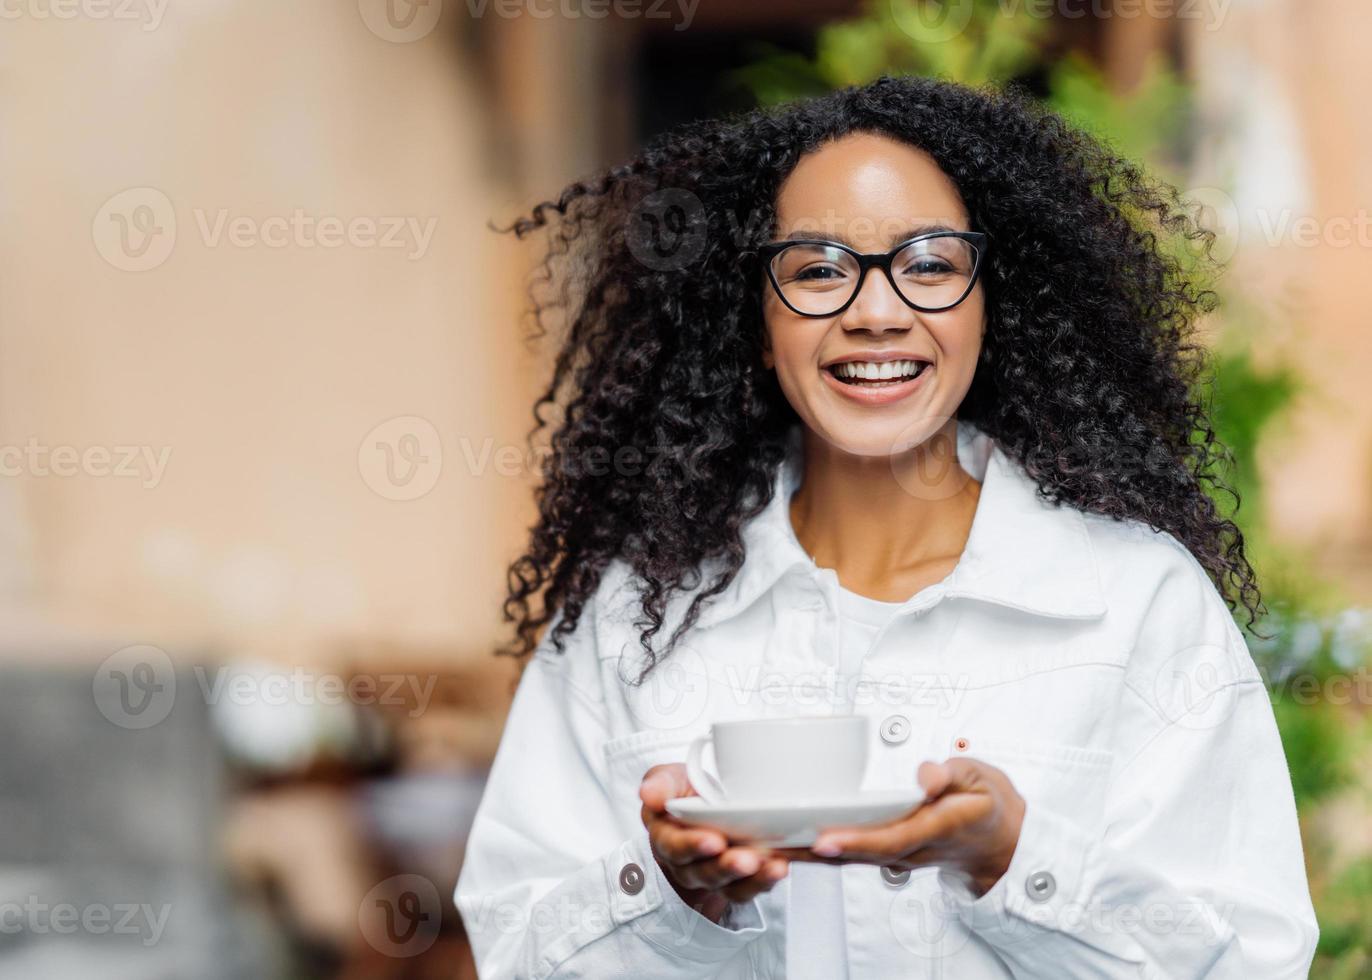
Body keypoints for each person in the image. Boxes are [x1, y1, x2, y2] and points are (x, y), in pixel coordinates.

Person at [453, 74, 1318, 978]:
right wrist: (672, 899)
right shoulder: (628, 614)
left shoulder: (1139, 602)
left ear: (991, 305)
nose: (875, 312)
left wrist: (1014, 861)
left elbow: (1250, 964)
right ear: (755, 318)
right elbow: (515, 952)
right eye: (819, 269)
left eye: (931, 264)